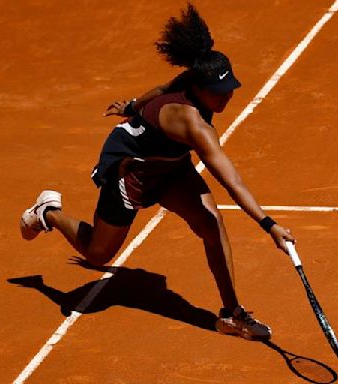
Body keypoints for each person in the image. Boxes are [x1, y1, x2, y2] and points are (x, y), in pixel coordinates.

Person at [20, 3, 294, 341]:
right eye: (220, 92)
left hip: (170, 165)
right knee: (97, 254)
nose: (228, 97)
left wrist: (133, 106)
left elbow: (161, 89)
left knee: (211, 224)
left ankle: (231, 315)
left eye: (231, 88)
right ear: (200, 89)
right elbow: (230, 179)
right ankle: (49, 211)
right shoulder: (194, 126)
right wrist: (269, 225)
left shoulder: (190, 82)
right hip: (131, 171)